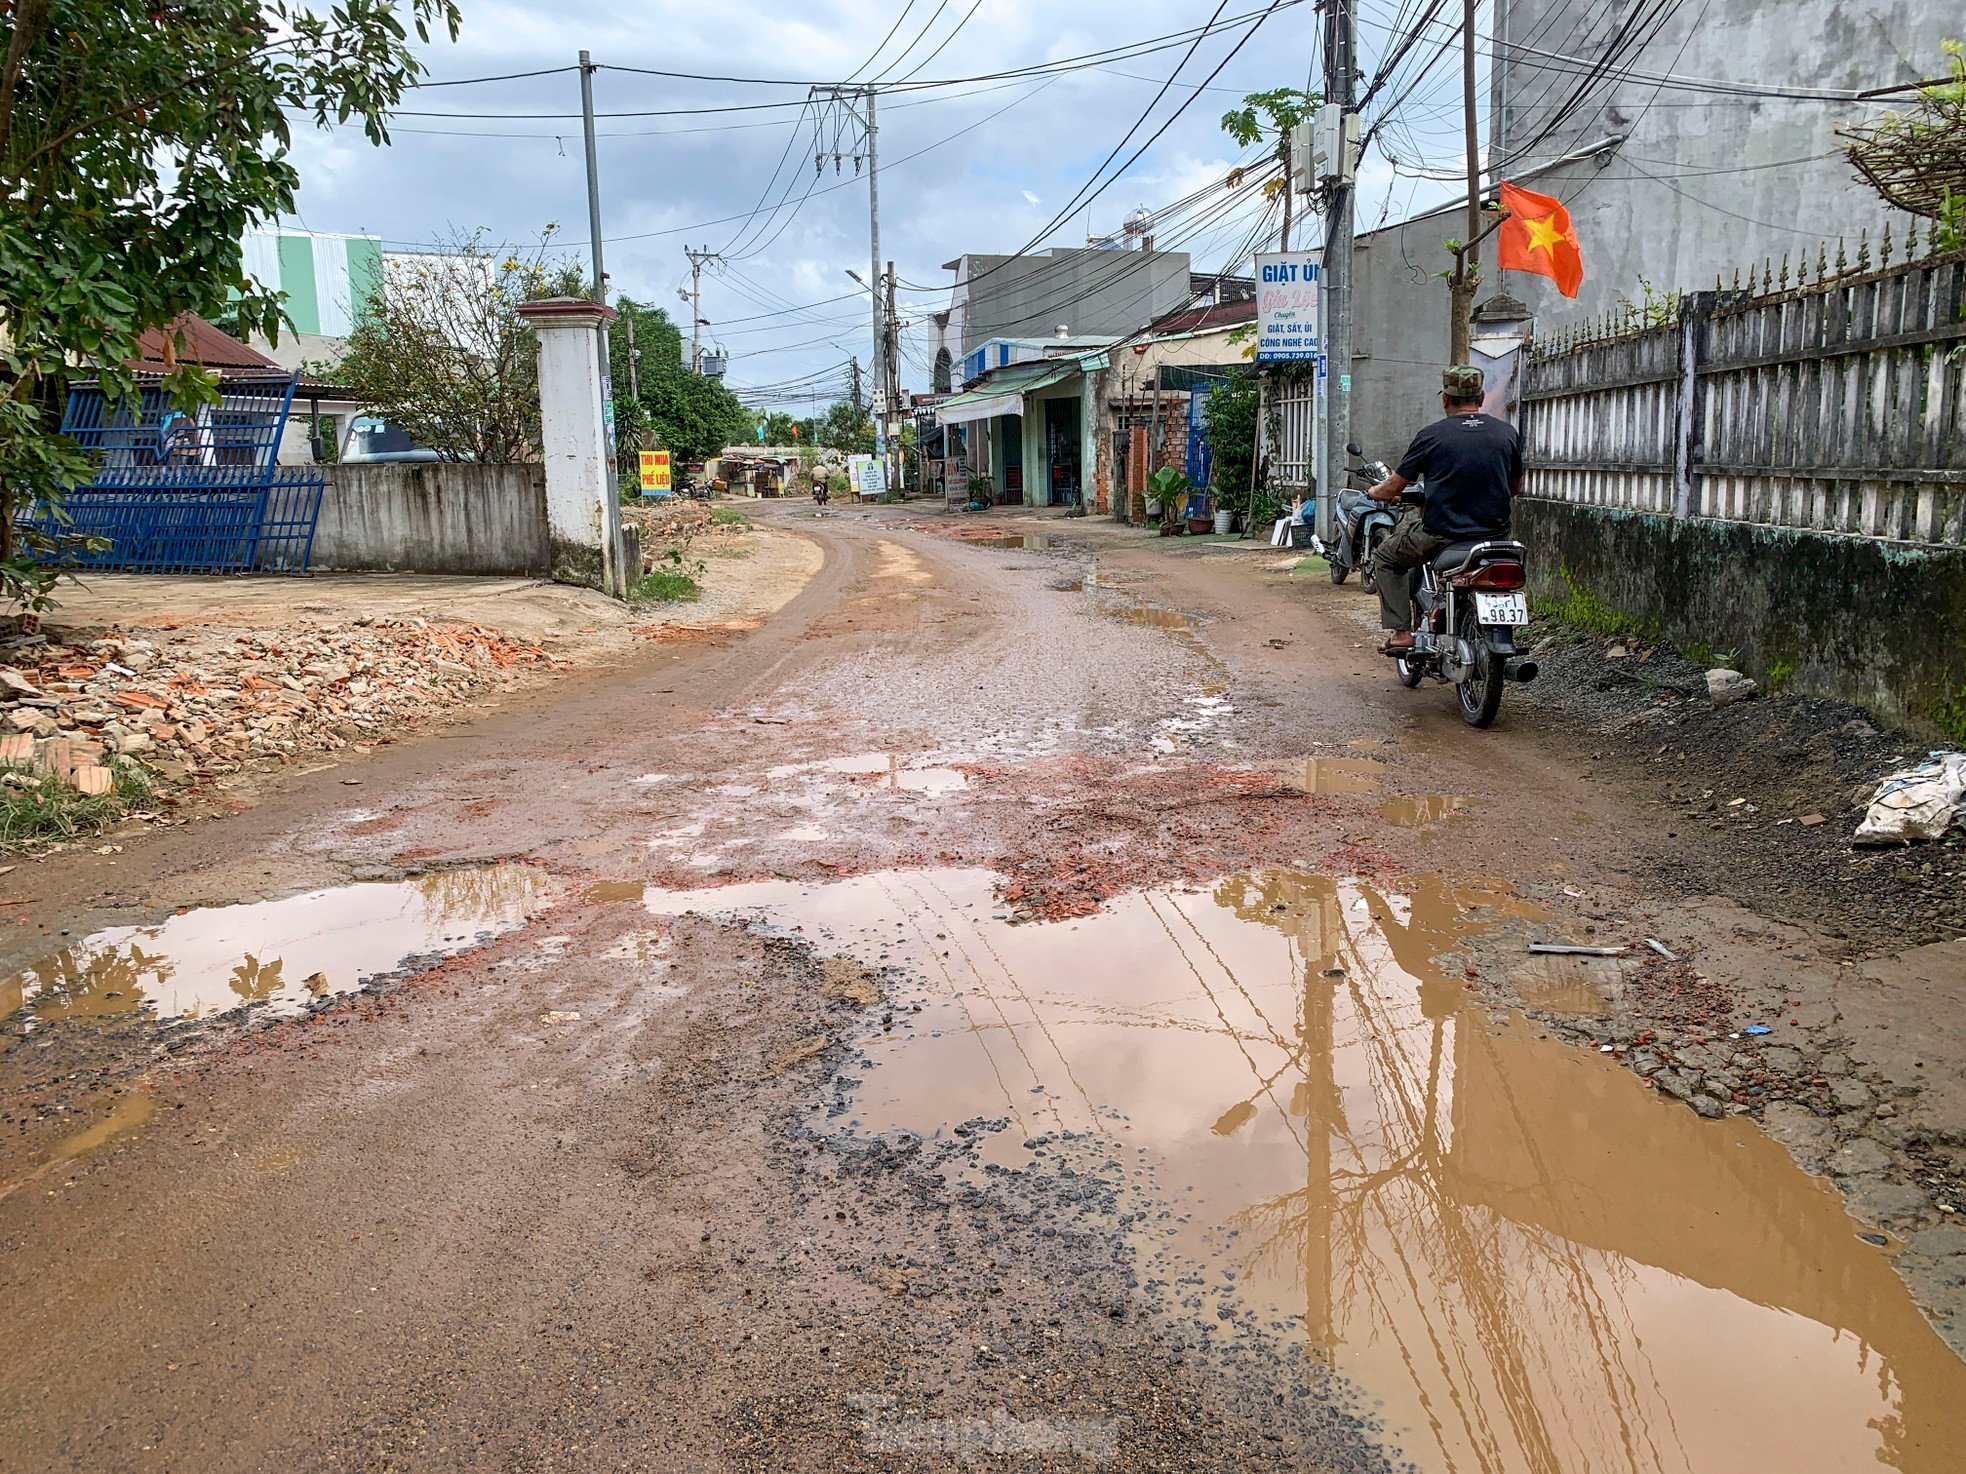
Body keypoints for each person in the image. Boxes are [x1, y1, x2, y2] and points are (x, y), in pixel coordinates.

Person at [1365, 364, 1523, 655]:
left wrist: (1375, 492)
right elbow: (1514, 488)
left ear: (1446, 400)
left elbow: (1394, 488)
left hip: (1442, 534)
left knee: (1385, 556)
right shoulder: (1507, 433)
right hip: (1495, 537)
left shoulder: (1431, 436)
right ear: (1482, 397)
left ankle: (1401, 633)